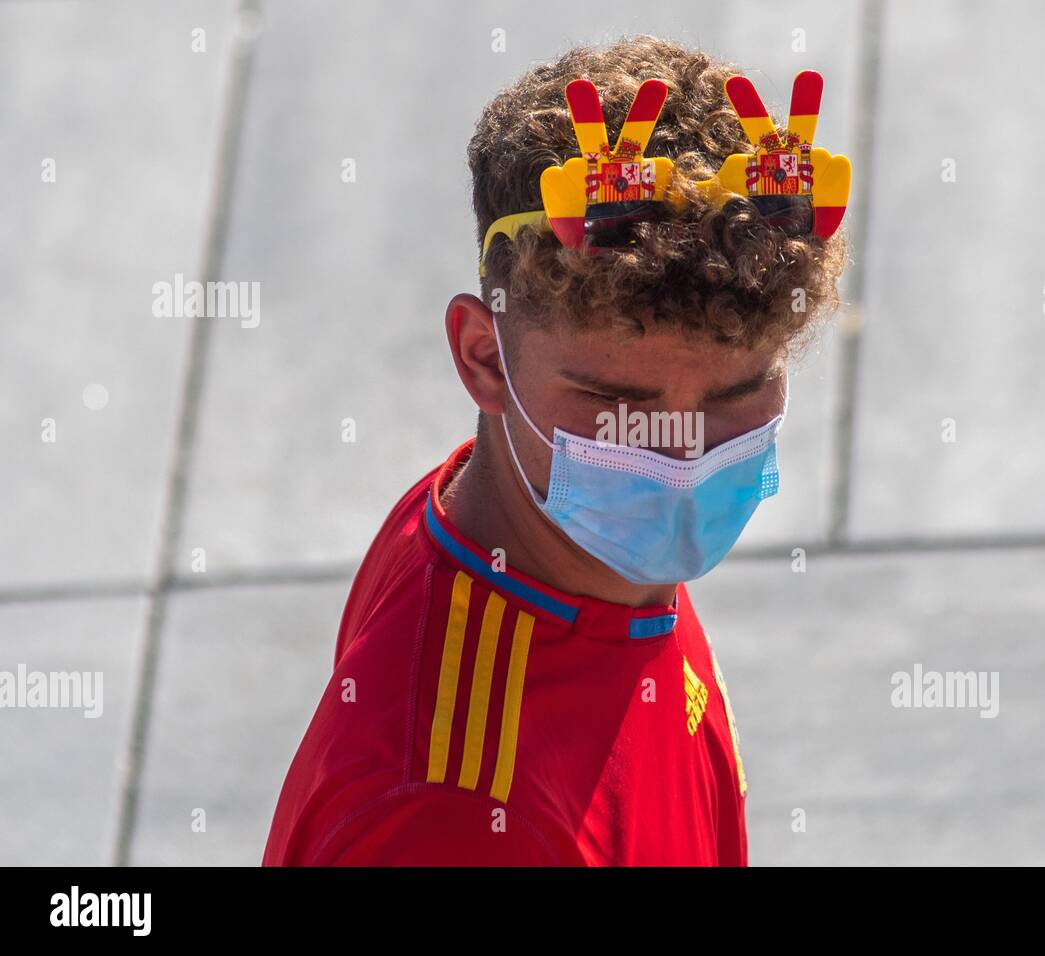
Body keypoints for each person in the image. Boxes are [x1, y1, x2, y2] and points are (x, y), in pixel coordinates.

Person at [263, 34, 847, 866]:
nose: (680, 458)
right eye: (618, 405)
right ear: (484, 357)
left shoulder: (554, 548)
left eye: (731, 396)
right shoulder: (453, 816)